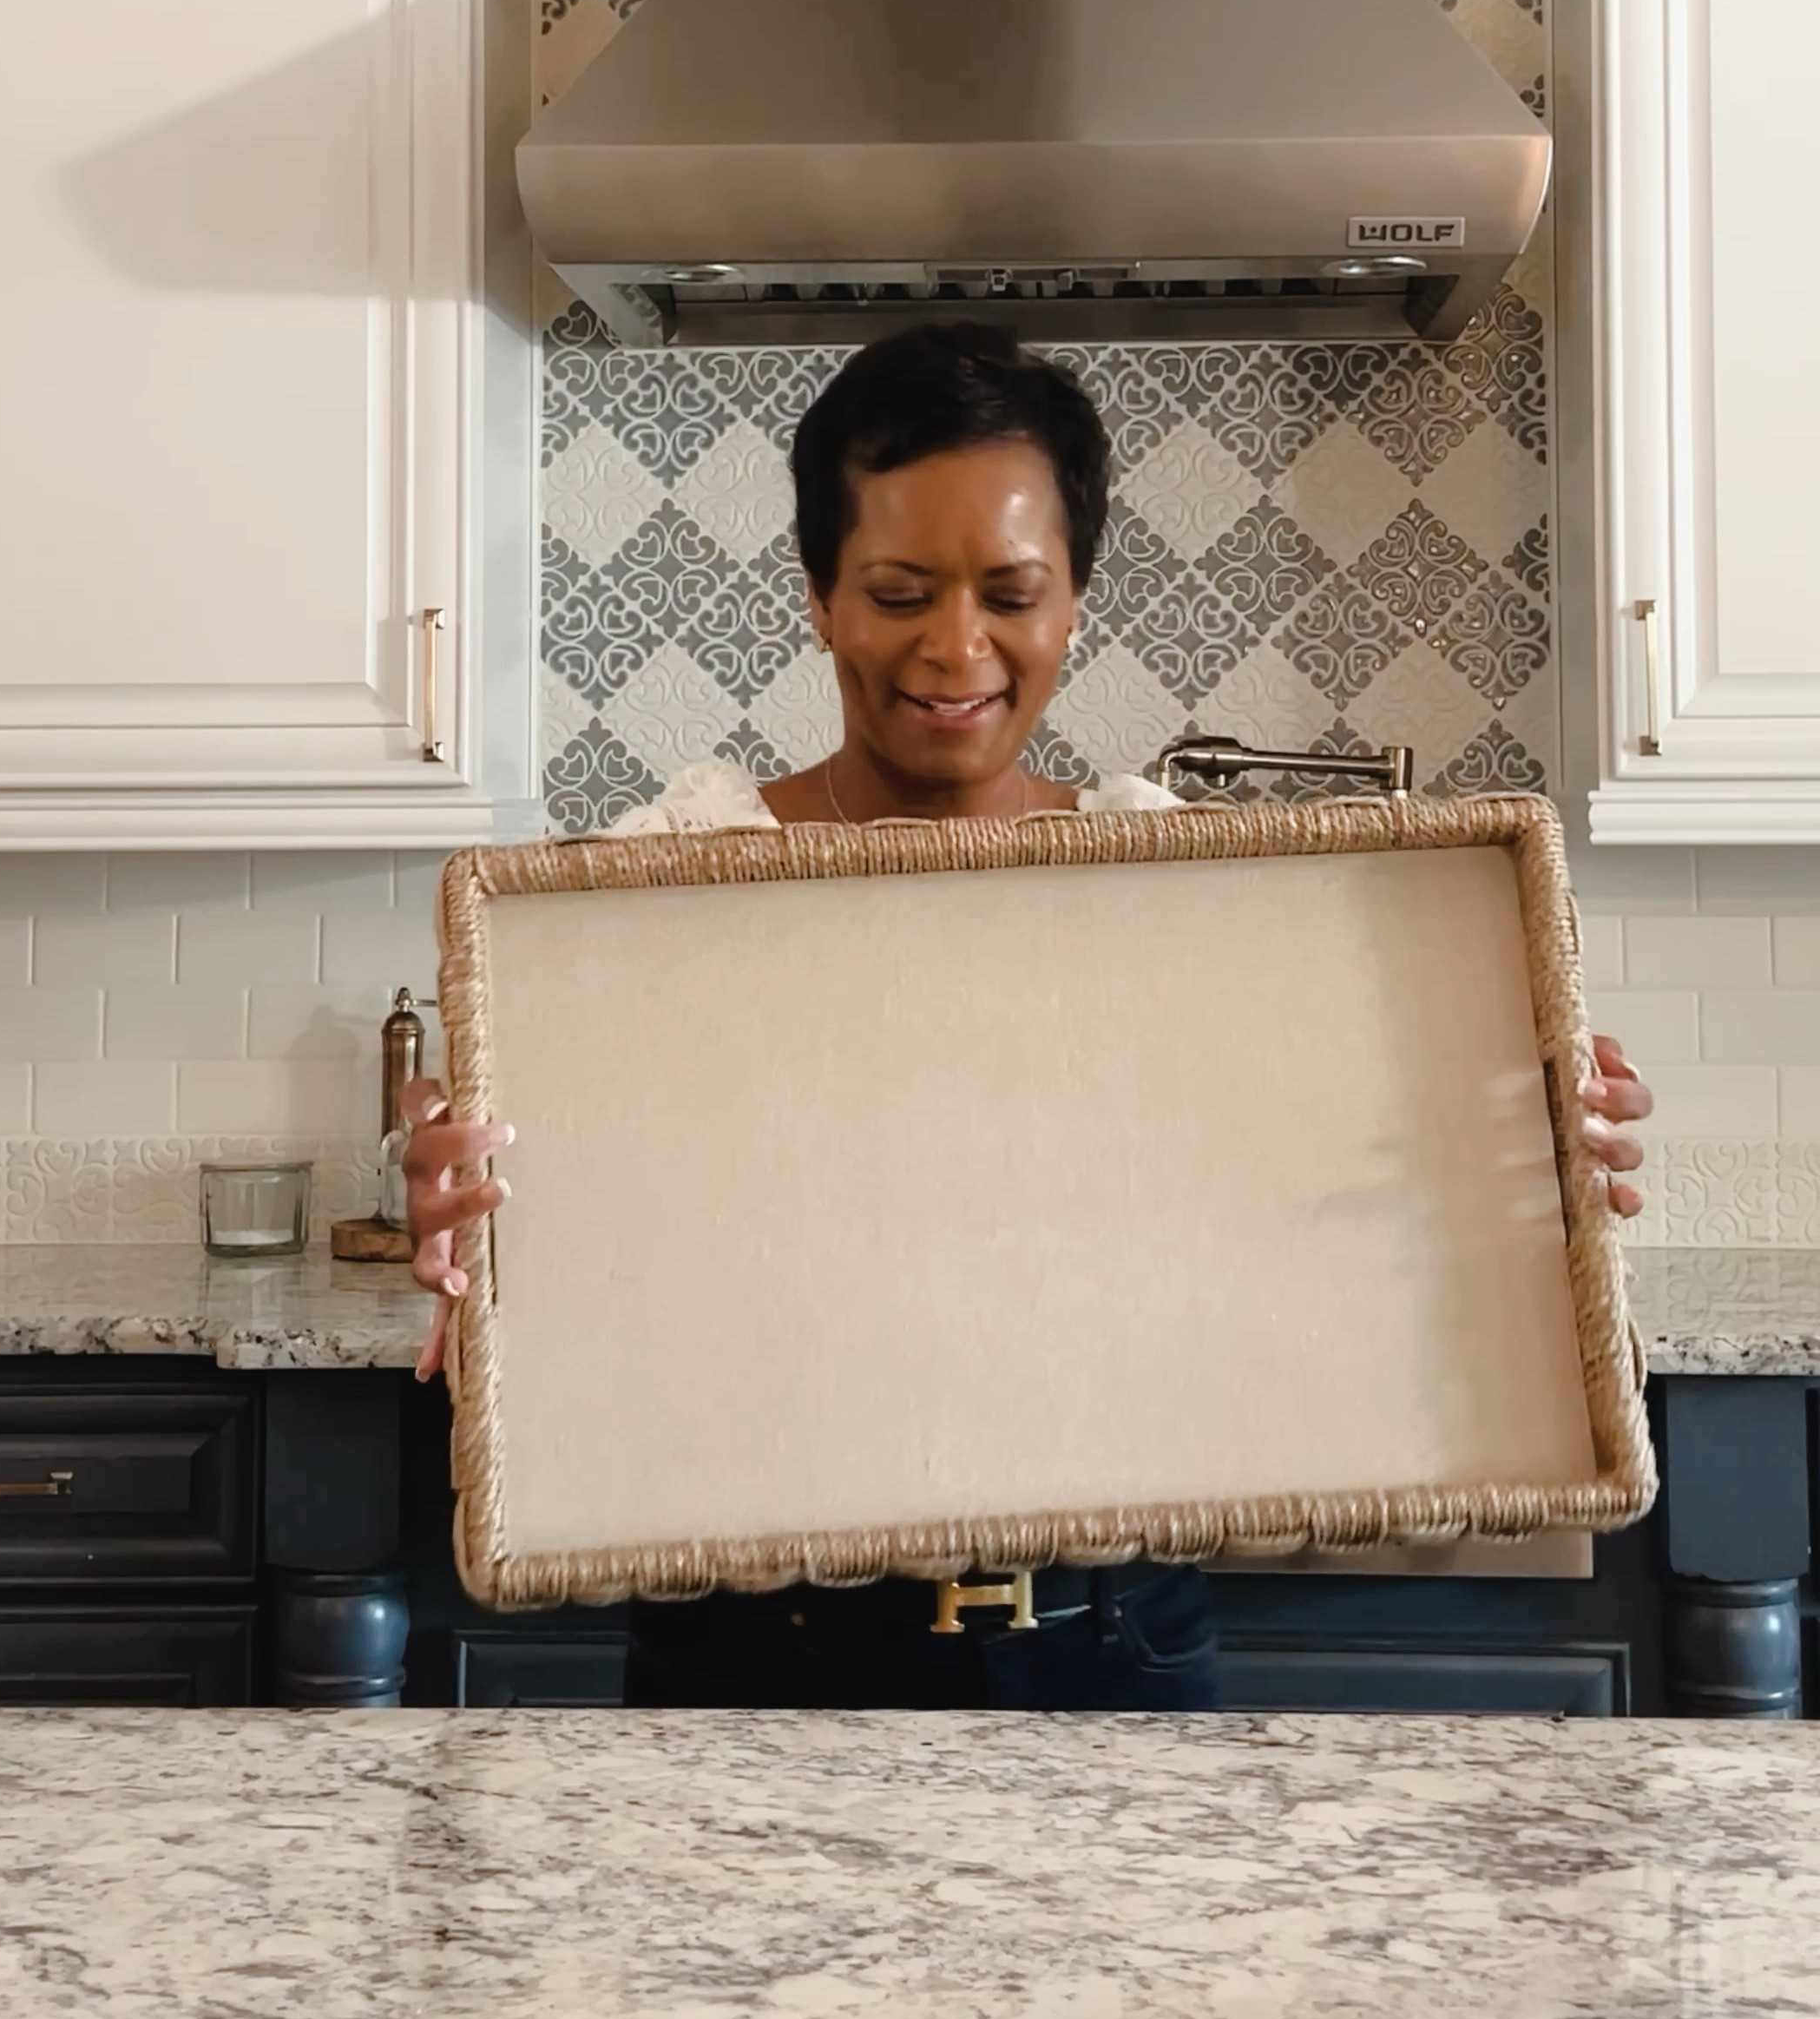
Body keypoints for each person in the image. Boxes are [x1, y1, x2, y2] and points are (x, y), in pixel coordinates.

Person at [404, 324, 1651, 1710]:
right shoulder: (661, 881)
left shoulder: (1166, 882)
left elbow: (1291, 1223)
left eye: (1011, 591)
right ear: (820, 598)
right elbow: (582, 1262)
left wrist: (1520, 1177)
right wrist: (476, 1229)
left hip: (1116, 1640)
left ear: (1073, 606)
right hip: (752, 1655)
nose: (956, 646)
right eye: (896, 591)